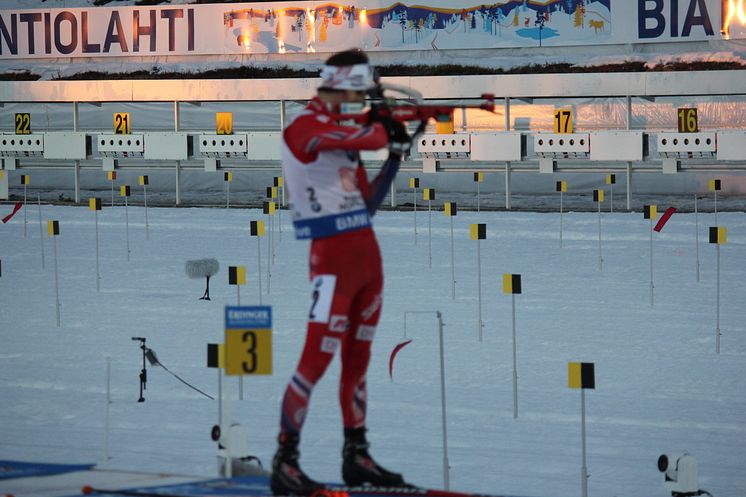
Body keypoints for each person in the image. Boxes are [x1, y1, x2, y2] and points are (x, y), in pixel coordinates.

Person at [271, 49, 413, 496]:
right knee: (316, 360)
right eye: (357, 92)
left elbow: (368, 204)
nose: (359, 100)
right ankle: (285, 459)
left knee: (358, 360)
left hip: (366, 256)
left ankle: (357, 455)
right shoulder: (305, 125)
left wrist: (395, 154)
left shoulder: (343, 135)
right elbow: (365, 137)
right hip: (331, 257)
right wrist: (383, 128)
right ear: (336, 87)